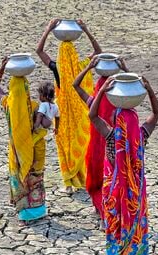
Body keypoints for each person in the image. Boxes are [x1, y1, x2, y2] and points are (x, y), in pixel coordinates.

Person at [88, 76, 158, 255]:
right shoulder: (141, 136)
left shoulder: (111, 136)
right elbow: (156, 113)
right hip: (133, 192)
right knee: (131, 225)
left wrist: (102, 90)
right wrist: (148, 89)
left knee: (114, 224)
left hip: (112, 191)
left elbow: (92, 115)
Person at [36, 18, 102, 194]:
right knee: (82, 143)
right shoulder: (82, 67)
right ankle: (82, 177)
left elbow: (39, 51)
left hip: (62, 114)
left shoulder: (57, 68)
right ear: (74, 54)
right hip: (80, 112)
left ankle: (68, 182)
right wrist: (86, 30)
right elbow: (98, 52)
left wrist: (48, 29)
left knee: (65, 146)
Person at [73, 55, 130, 224]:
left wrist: (89, 67)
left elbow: (75, 85)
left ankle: (99, 209)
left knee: (97, 180)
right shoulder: (120, 108)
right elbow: (134, 92)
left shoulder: (93, 105)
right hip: (115, 149)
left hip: (97, 149)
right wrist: (125, 70)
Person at [0, 57, 48, 226]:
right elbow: (47, 124)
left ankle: (24, 216)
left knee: (20, 181)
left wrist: (2, 68)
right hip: (34, 150)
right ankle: (38, 211)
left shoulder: (8, 104)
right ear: (26, 90)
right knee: (35, 179)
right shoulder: (33, 105)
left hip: (16, 152)